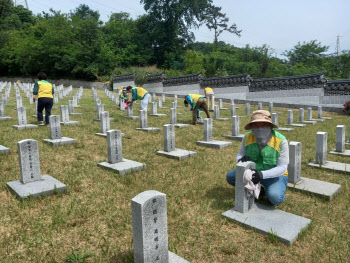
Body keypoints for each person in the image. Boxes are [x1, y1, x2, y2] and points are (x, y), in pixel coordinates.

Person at [226, 110, 289, 206]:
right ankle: (261, 191)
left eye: (263, 125)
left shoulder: (281, 141)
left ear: (270, 126)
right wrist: (241, 159)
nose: (259, 128)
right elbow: (239, 155)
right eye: (255, 125)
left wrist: (262, 175)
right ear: (251, 127)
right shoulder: (247, 137)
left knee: (275, 198)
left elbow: (282, 167)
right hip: (253, 172)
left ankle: (275, 189)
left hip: (274, 175)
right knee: (231, 176)